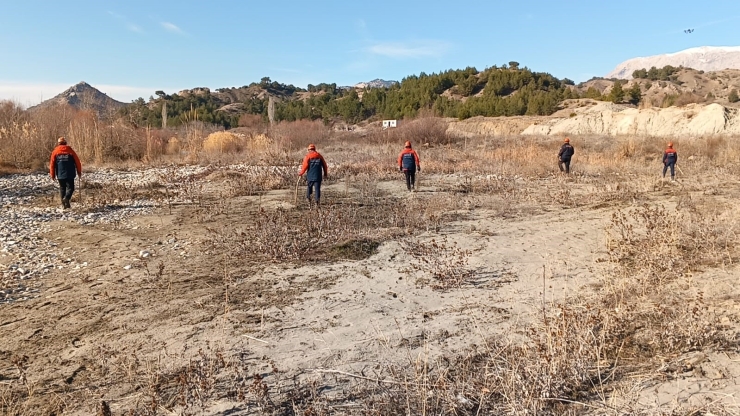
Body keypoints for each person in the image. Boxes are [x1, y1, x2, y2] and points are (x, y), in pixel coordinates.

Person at [49, 137, 82, 209]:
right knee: (71, 188)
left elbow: (52, 164)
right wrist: (79, 171)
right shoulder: (70, 151)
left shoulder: (55, 152)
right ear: (65, 143)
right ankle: (66, 198)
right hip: (70, 173)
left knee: (62, 188)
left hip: (60, 174)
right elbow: (77, 162)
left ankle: (64, 205)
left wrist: (52, 174)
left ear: (58, 143)